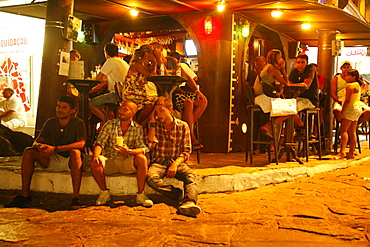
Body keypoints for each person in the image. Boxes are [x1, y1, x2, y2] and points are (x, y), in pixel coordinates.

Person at [5, 96, 86, 209]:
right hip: (54, 158)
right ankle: (25, 195)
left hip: (71, 161)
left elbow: (81, 143)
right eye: (58, 106)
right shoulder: (50, 122)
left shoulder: (78, 123)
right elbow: (36, 143)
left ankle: (75, 198)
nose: (60, 110)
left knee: (75, 152)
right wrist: (42, 148)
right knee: (28, 151)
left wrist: (55, 148)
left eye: (64, 107)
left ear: (72, 111)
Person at [90, 99, 152, 207]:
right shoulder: (110, 125)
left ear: (132, 113)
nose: (121, 111)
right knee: (95, 161)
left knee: (142, 158)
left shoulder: (137, 128)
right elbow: (100, 143)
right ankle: (104, 192)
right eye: (121, 108)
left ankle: (141, 194)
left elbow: (143, 148)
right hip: (111, 160)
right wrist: (96, 155)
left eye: (125, 109)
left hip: (126, 162)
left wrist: (129, 151)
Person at [147, 96, 201, 217]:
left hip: (177, 161)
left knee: (191, 176)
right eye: (156, 112)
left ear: (170, 109)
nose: (159, 114)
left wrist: (175, 164)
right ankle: (178, 195)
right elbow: (150, 145)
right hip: (159, 162)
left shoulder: (183, 126)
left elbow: (186, 151)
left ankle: (190, 202)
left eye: (161, 111)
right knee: (150, 178)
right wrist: (152, 125)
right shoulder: (155, 125)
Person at [255, 49, 305, 137]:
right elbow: (286, 83)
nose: (281, 59)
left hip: (260, 97)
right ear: (275, 59)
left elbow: (280, 85)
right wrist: (283, 68)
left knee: (291, 108)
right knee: (292, 108)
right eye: (279, 57)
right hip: (263, 99)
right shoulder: (273, 69)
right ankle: (270, 126)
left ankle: (299, 128)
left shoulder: (267, 67)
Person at [167, 51, 208, 150]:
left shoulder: (174, 64)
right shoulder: (156, 65)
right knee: (188, 103)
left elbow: (189, 78)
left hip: (178, 92)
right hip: (168, 94)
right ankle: (191, 137)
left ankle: (184, 130)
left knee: (203, 100)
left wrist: (197, 91)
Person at [89, 43, 129, 123]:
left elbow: (98, 78)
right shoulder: (122, 62)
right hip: (124, 94)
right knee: (104, 107)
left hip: (116, 95)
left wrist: (106, 81)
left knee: (91, 103)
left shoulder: (111, 61)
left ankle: (108, 123)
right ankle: (112, 122)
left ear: (106, 52)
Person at [121, 44, 160, 126]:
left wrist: (154, 63)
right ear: (147, 54)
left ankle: (139, 126)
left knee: (157, 103)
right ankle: (138, 125)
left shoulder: (145, 65)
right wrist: (155, 61)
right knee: (152, 105)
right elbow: (150, 75)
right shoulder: (136, 64)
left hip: (139, 93)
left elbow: (153, 74)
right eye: (153, 53)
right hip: (132, 93)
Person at [331, 61, 370, 126]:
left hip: (354, 102)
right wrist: (338, 100)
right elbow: (332, 92)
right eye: (344, 67)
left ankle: (352, 125)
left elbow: (362, 89)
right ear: (341, 68)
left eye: (348, 67)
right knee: (337, 110)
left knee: (368, 111)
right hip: (340, 100)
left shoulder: (354, 83)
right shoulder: (336, 78)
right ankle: (346, 125)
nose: (346, 69)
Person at [335, 69, 362, 160]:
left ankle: (342, 151)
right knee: (352, 131)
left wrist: (341, 113)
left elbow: (347, 101)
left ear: (353, 77)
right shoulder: (357, 85)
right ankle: (351, 152)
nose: (345, 77)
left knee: (343, 130)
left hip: (351, 108)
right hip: (357, 108)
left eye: (347, 75)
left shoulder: (350, 86)